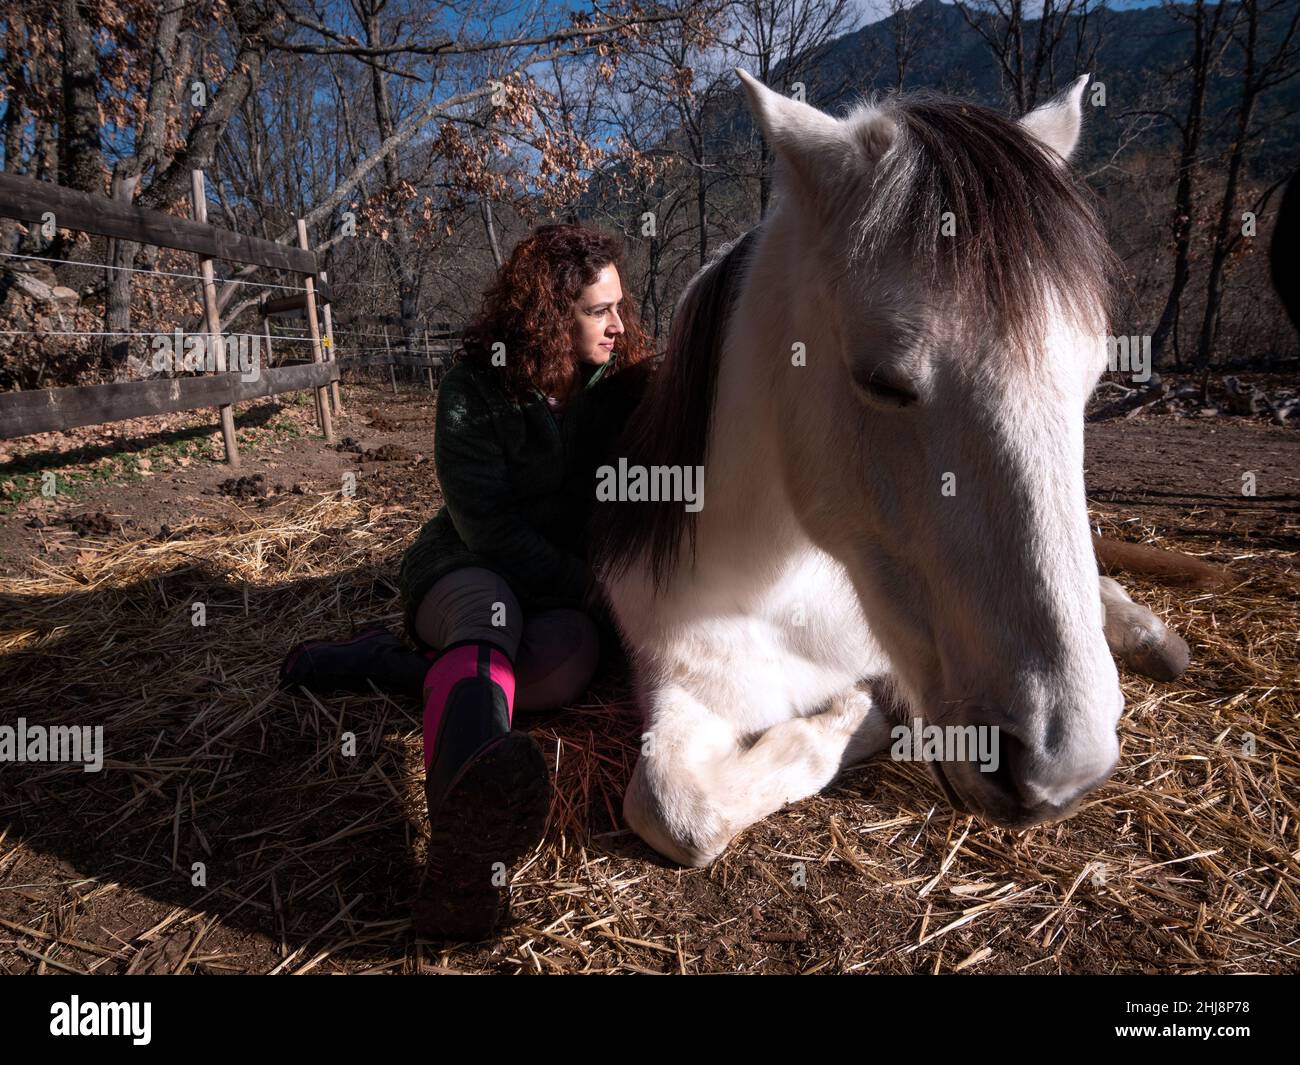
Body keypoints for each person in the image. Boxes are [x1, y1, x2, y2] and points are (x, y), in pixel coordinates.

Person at [278, 224, 656, 939]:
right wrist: (592, 586)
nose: (618, 323)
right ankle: (461, 834)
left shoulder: (623, 384)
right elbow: (491, 532)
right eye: (596, 310)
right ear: (549, 315)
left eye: (621, 304)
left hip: (560, 594)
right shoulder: (472, 390)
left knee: (564, 664)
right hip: (467, 567)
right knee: (491, 615)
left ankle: (391, 664)